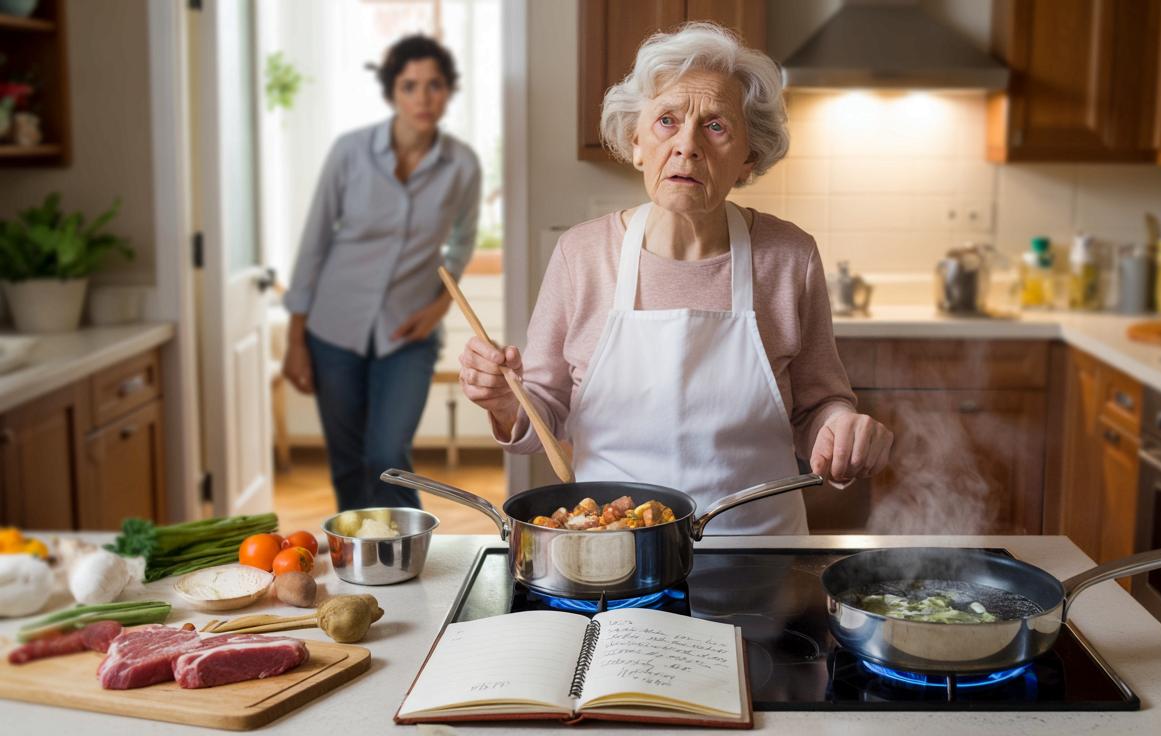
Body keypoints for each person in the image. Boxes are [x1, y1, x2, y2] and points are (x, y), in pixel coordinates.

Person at [459, 23, 892, 534]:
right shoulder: (582, 254)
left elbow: (818, 407)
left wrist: (840, 429)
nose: (686, 146)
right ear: (636, 141)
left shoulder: (789, 256)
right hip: (616, 548)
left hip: (758, 552)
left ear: (749, 157)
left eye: (716, 127)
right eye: (667, 121)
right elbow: (544, 414)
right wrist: (505, 400)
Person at [282, 34, 482, 511]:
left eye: (434, 85)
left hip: (408, 332)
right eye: (410, 85)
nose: (423, 98)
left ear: (448, 92)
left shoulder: (461, 166)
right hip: (332, 329)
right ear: (393, 91)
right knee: (348, 462)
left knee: (388, 454)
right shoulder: (350, 152)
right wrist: (295, 339)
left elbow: (462, 244)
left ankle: (410, 559)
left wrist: (436, 311)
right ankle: (362, 565)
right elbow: (314, 243)